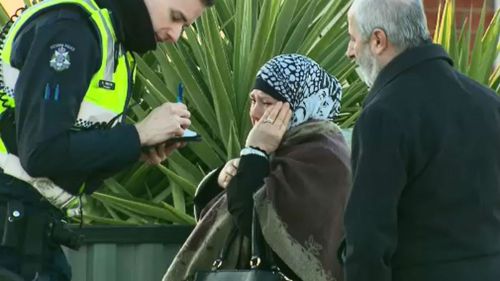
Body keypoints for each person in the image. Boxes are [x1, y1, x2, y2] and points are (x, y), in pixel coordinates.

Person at [0, 0, 214, 280]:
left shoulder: (109, 38)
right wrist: (137, 134)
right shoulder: (71, 29)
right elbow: (41, 153)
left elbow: (63, 152)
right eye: (175, 18)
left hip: (29, 228)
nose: (175, 36)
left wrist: (135, 147)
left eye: (184, 26)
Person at [342, 0, 500, 280]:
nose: (349, 52)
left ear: (378, 40)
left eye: (353, 39)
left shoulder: (383, 114)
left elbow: (367, 239)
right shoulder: (489, 103)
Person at [163, 54, 351, 281]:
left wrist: (254, 152)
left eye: (267, 103)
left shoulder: (323, 158)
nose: (254, 112)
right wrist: (223, 178)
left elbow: (255, 225)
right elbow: (229, 212)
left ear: (300, 105)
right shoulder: (285, 150)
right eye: (253, 100)